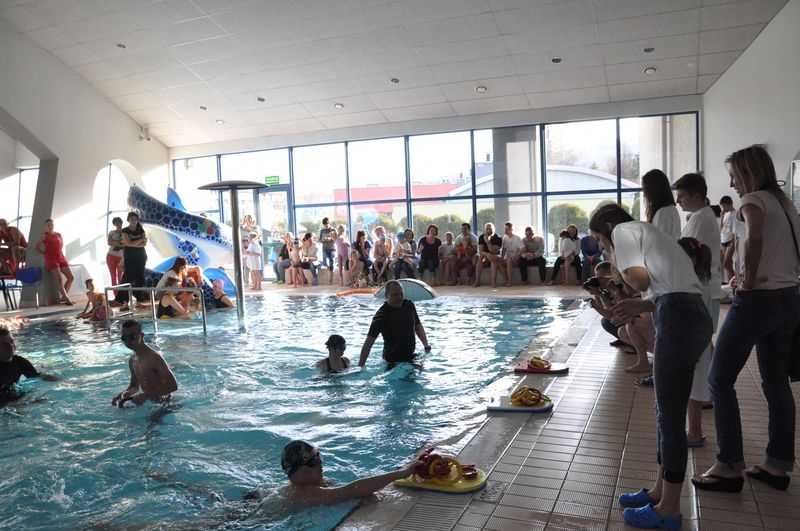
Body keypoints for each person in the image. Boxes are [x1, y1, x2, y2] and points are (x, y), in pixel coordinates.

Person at [590, 204, 711, 530]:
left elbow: (640, 279)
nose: (603, 247)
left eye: (600, 240)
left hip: (679, 317)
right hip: (688, 313)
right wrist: (640, 304)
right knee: (665, 411)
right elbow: (668, 288)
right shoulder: (650, 233)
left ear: (609, 226)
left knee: (669, 417)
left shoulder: (623, 230)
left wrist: (620, 266)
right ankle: (659, 492)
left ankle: (669, 510)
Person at [693, 145, 800, 494]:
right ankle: (777, 465)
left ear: (748, 173)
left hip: (757, 301)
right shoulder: (785, 204)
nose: (732, 183)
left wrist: (749, 279)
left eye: (734, 176)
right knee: (776, 383)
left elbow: (754, 236)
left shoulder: (752, 200)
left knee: (719, 379)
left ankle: (728, 466)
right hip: (788, 299)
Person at [673, 172, 721, 449]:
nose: (678, 201)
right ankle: (707, 398)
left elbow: (687, 258)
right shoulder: (700, 217)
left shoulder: (702, 219)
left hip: (701, 292)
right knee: (704, 351)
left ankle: (695, 429)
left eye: (681, 196)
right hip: (704, 291)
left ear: (697, 196)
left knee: (698, 358)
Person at [280, 440, 418, 505]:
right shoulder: (302, 493)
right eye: (313, 461)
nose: (320, 462)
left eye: (319, 456)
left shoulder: (319, 483)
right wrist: (402, 473)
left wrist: (357, 495)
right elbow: (353, 489)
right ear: (296, 472)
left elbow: (347, 492)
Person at [358, 280, 431, 368]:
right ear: (386, 295)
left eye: (401, 293)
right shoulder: (381, 315)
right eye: (395, 294)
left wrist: (426, 346)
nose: (399, 297)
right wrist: (361, 366)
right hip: (392, 360)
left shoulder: (409, 305)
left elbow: (418, 326)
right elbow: (369, 342)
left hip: (410, 356)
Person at [112, 320, 178, 407]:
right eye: (124, 338)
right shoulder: (132, 360)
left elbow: (173, 386)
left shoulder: (154, 358)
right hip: (152, 403)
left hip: (167, 404)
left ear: (142, 335)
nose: (128, 341)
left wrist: (146, 395)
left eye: (132, 337)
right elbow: (134, 386)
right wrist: (123, 394)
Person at [1, 328, 60, 404]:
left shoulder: (19, 361)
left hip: (12, 395)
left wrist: (63, 381)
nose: (11, 345)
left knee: (46, 401)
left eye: (12, 342)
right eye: (5, 344)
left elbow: (40, 376)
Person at [34, 218, 75, 305]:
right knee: (59, 279)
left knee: (71, 277)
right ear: (45, 227)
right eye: (48, 225)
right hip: (51, 260)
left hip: (61, 258)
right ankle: (67, 298)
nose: (50, 226)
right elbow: (36, 247)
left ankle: (64, 297)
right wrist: (44, 253)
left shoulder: (58, 235)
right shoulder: (43, 236)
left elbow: (61, 246)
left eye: (51, 224)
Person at [113, 212, 148, 312]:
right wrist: (140, 240)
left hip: (140, 257)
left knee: (139, 278)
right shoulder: (125, 230)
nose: (134, 221)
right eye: (132, 219)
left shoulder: (141, 229)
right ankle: (125, 302)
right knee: (128, 278)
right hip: (129, 257)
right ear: (128, 220)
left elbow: (144, 244)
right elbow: (128, 243)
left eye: (135, 219)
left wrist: (133, 244)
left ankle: (138, 300)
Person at [641, 169, 681, 240]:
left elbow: (658, 241)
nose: (644, 194)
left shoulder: (663, 213)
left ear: (654, 190)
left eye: (645, 189)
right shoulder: (671, 209)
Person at [472, 223, 504, 288]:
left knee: (493, 259)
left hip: (496, 256)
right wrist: (487, 254)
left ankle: (493, 281)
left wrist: (487, 241)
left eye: (490, 229)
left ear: (494, 229)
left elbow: (493, 251)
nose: (488, 230)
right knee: (480, 257)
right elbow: (481, 251)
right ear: (485, 230)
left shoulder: (498, 238)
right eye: (487, 229)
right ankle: (477, 280)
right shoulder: (481, 237)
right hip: (486, 256)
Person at [500, 221, 524, 287]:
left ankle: (510, 281)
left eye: (507, 229)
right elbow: (504, 249)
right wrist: (502, 258)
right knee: (499, 263)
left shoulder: (517, 238)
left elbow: (523, 249)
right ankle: (507, 279)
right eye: (504, 229)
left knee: (509, 260)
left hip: (515, 258)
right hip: (507, 257)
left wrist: (516, 255)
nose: (505, 231)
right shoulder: (504, 238)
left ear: (511, 229)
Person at [719, 195, 736, 282]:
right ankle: (730, 283)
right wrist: (722, 217)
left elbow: (736, 229)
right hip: (723, 239)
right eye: (722, 207)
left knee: (727, 263)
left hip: (731, 239)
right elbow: (720, 228)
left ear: (730, 204)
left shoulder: (736, 213)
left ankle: (735, 282)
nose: (723, 209)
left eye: (725, 206)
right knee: (727, 264)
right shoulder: (725, 214)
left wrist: (734, 239)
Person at [240, 215, 260, 286]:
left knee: (255, 267)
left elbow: (258, 235)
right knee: (246, 265)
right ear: (246, 220)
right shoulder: (243, 228)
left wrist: (251, 229)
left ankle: (256, 283)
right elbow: (241, 239)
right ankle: (246, 282)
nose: (250, 220)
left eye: (251, 218)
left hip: (254, 248)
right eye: (248, 218)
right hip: (245, 249)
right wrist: (243, 248)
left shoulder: (256, 227)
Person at [106, 216, 124, 294]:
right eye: (117, 224)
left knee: (120, 277)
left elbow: (127, 243)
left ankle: (120, 295)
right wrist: (120, 244)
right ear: (115, 225)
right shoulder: (111, 232)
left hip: (121, 257)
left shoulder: (125, 232)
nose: (119, 225)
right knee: (113, 276)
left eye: (120, 223)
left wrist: (115, 243)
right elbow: (109, 242)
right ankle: (116, 295)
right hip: (111, 256)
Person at [319, 218, 336, 286]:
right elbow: (319, 240)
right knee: (325, 262)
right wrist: (323, 239)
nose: (326, 226)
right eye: (324, 225)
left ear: (329, 223)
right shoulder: (322, 230)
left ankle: (330, 280)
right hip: (325, 248)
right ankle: (330, 270)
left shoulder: (333, 230)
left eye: (327, 224)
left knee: (332, 264)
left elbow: (335, 239)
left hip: (332, 249)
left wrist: (330, 238)